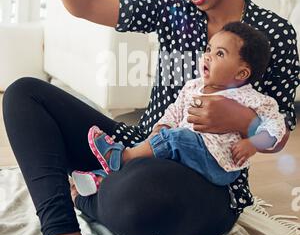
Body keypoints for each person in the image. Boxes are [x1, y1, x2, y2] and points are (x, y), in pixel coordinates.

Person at [2, 0, 299, 235]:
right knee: (24, 94)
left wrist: (240, 119)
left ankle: (89, 190)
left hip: (206, 178)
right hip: (141, 145)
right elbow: (85, 4)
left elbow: (280, 131)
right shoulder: (173, 12)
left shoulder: (272, 33)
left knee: (134, 203)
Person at [72, 22, 286, 198]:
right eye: (209, 49)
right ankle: (99, 178)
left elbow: (277, 127)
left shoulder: (253, 99)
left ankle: (121, 157)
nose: (208, 56)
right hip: (186, 154)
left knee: (173, 139)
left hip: (218, 164)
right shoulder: (193, 86)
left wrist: (253, 143)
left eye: (220, 54)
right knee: (148, 149)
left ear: (241, 74)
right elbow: (174, 111)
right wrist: (161, 126)